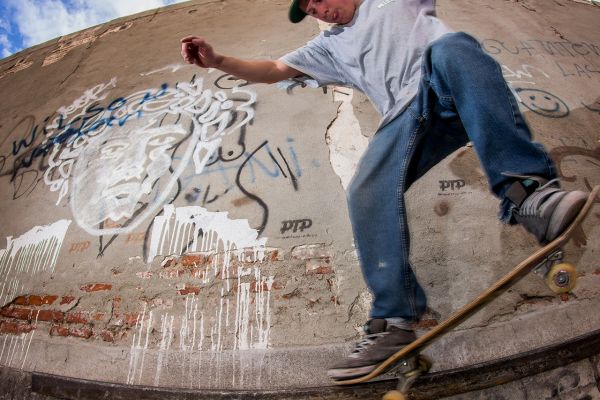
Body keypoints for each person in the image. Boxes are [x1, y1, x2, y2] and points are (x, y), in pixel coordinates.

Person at [180, 0, 588, 381]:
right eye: (311, 10)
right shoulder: (327, 46)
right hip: (405, 120)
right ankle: (392, 322)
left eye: (320, 0)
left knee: (452, 47)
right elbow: (272, 68)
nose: (321, 11)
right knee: (365, 190)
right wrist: (217, 61)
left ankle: (530, 197)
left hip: (446, 89)